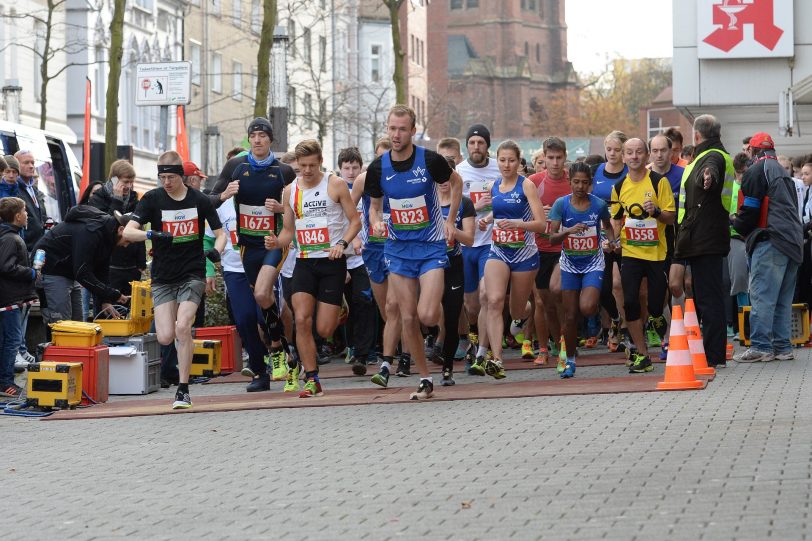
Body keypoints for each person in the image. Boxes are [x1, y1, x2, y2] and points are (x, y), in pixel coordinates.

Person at [364, 104, 462, 400]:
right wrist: (377, 222)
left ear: (412, 131)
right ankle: (424, 378)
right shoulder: (378, 167)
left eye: (402, 129)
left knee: (427, 315)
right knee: (407, 318)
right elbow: (374, 207)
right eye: (392, 128)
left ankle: (438, 336)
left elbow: (455, 183)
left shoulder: (430, 161)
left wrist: (449, 220)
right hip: (398, 250)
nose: (396, 134)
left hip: (431, 246)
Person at [124, 151, 227, 409]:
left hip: (193, 272)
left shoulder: (199, 200)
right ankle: (181, 383)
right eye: (162, 177)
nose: (166, 182)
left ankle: (183, 389)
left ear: (181, 176)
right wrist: (153, 234)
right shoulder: (151, 199)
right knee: (165, 337)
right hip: (162, 276)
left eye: (170, 177)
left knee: (183, 327)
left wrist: (217, 252)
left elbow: (220, 233)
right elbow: (128, 231)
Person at [264, 139, 361, 398]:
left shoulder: (335, 184)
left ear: (320, 162)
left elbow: (355, 222)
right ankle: (312, 378)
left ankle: (339, 303)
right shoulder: (289, 191)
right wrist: (276, 241)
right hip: (305, 261)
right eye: (302, 166)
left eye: (311, 165)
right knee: (301, 320)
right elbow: (287, 232)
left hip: (332, 262)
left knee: (324, 330)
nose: (307, 171)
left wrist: (342, 243)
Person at [210, 118, 296, 391]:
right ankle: (261, 372)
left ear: (271, 139)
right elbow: (209, 200)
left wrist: (281, 210)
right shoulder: (236, 166)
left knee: (262, 300)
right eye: (253, 135)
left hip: (273, 245)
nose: (257, 140)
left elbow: (300, 208)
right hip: (246, 248)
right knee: (246, 317)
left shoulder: (283, 171)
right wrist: (224, 194)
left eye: (262, 135)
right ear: (249, 140)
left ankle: (281, 352)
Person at [475, 140, 545, 378]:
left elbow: (541, 224)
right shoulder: (494, 185)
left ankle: (524, 313)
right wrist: (488, 219)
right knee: (493, 300)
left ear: (518, 161)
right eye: (502, 160)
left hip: (525, 255)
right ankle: (496, 359)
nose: (506, 165)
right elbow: (502, 209)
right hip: (499, 251)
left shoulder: (526, 186)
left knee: (516, 309)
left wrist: (517, 224)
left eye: (511, 160)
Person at [733, 133, 803, 362]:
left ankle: (762, 346)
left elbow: (750, 211)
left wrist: (735, 222)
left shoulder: (756, 171)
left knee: (763, 297)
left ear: (752, 152)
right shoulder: (783, 173)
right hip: (793, 241)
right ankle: (783, 347)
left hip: (771, 240)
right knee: (783, 299)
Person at [674, 114, 735, 368]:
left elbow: (710, 171)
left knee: (709, 300)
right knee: (706, 298)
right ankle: (712, 353)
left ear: (697, 136)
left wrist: (707, 176)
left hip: (705, 238)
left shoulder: (713, 157)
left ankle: (713, 356)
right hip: (702, 237)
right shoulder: (708, 155)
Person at [610, 138, 675, 373]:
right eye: (630, 153)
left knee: (656, 304)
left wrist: (656, 212)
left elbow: (671, 217)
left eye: (639, 152)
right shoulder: (618, 187)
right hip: (630, 252)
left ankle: (657, 318)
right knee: (630, 302)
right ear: (624, 157)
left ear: (646, 155)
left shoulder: (659, 182)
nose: (634, 156)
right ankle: (643, 355)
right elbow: (616, 217)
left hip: (656, 253)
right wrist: (614, 238)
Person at [548, 163, 615, 378]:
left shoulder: (598, 204)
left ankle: (599, 318)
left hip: (593, 262)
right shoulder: (561, 204)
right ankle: (569, 359)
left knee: (586, 308)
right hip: (569, 264)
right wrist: (569, 231)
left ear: (590, 184)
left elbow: (608, 225)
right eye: (576, 182)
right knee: (570, 316)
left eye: (585, 182)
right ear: (570, 182)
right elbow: (552, 237)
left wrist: (611, 241)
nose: (580, 186)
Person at [35, 205, 133, 326]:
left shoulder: (108, 235)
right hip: (52, 269)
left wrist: (106, 300)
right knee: (63, 325)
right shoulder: (91, 231)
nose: (126, 245)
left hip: (70, 272)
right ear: (121, 229)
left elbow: (102, 270)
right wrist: (112, 294)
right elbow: (82, 272)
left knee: (78, 324)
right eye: (128, 241)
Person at [455, 124, 501, 369]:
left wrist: (491, 211)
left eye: (480, 143)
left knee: (486, 296)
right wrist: (476, 203)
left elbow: (507, 197)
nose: (476, 147)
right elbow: (453, 206)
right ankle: (473, 335)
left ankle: (483, 353)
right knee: (471, 305)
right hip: (467, 244)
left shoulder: (498, 169)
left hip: (491, 244)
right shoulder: (459, 172)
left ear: (487, 145)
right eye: (472, 143)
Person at [529, 137, 572, 365]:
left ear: (565, 157)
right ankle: (550, 345)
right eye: (550, 158)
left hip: (565, 248)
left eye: (559, 158)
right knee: (542, 301)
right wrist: (539, 215)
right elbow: (521, 213)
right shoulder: (533, 182)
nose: (555, 163)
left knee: (559, 295)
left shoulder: (573, 182)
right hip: (540, 247)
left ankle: (564, 345)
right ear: (543, 158)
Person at [434, 156, 475, 385]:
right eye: (438, 177)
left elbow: (469, 239)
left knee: (451, 317)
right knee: (427, 313)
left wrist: (450, 228)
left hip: (453, 264)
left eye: (447, 176)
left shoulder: (464, 203)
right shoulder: (426, 202)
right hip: (430, 266)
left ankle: (447, 369)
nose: (442, 181)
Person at [336, 146, 377, 375]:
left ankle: (364, 352)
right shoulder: (336, 191)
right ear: (340, 169)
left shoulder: (367, 189)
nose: (351, 172)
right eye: (346, 168)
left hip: (363, 257)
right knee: (344, 307)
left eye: (355, 167)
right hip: (341, 256)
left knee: (364, 301)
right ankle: (349, 345)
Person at [592, 131, 628, 352]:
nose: (613, 154)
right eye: (609, 149)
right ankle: (614, 320)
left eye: (617, 150)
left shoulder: (629, 172)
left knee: (618, 284)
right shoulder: (597, 172)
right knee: (602, 287)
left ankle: (625, 329)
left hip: (626, 234)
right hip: (601, 236)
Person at [88, 160, 146, 298]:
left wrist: (141, 262)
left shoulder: (133, 198)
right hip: (109, 264)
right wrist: (117, 200)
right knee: (107, 308)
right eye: (125, 182)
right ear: (114, 179)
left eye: (131, 182)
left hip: (131, 265)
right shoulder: (98, 198)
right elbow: (108, 227)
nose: (129, 186)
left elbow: (139, 228)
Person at [0, 197, 37, 398]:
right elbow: (6, 266)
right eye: (25, 211)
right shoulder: (11, 239)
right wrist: (30, 273)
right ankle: (6, 382)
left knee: (7, 340)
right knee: (12, 340)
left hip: (9, 298)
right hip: (8, 299)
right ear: (17, 216)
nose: (27, 215)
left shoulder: (10, 236)